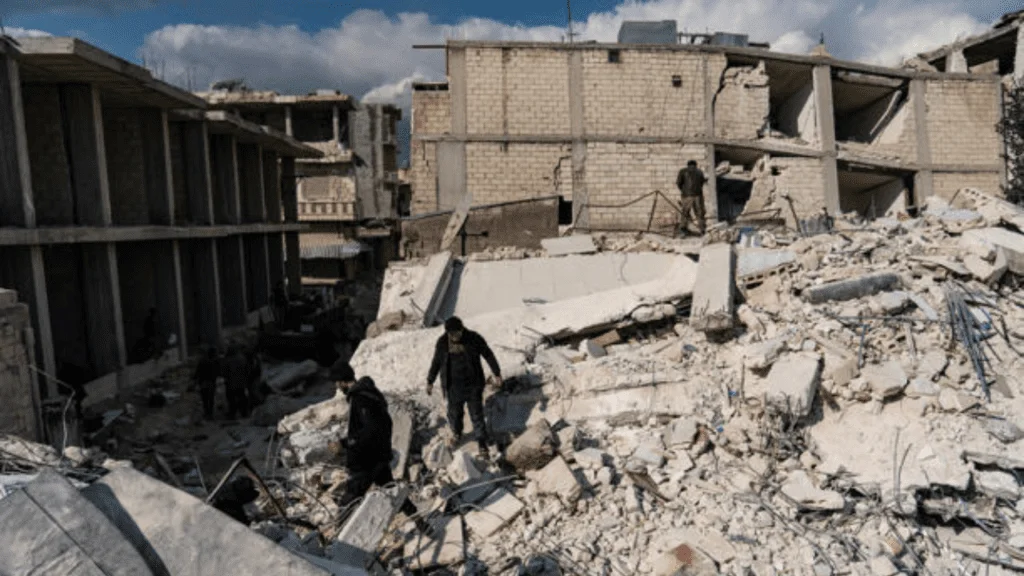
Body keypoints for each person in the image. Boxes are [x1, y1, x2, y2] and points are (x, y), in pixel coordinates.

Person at [331, 361, 430, 533]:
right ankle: (421, 523)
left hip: (366, 459)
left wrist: (345, 443)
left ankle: (334, 540)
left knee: (350, 499)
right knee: (391, 490)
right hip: (379, 456)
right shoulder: (371, 394)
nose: (337, 387)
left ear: (342, 381)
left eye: (337, 383)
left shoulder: (360, 398)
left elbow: (370, 429)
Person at [426, 317, 501, 459]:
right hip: (453, 386)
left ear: (462, 329)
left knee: (477, 414)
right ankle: (457, 433)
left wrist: (496, 373)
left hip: (473, 384)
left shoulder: (473, 338)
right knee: (455, 413)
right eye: (451, 334)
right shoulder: (442, 343)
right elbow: (436, 362)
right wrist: (430, 380)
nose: (455, 336)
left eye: (457, 333)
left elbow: (488, 354)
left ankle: (481, 442)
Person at [676, 160, 707, 236]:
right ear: (696, 165)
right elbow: (702, 183)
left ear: (688, 165)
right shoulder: (699, 172)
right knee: (699, 213)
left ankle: (683, 230)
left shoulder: (682, 171)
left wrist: (683, 190)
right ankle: (702, 230)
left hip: (686, 195)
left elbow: (679, 183)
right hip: (698, 195)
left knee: (685, 212)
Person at [221, 345, 250, 419]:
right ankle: (244, 412)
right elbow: (247, 370)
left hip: (231, 382)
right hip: (241, 382)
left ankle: (232, 413)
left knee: (231, 399)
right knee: (242, 397)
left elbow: (224, 372)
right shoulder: (242, 359)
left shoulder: (228, 360)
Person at [194, 346, 220, 420]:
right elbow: (218, 371)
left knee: (205, 399)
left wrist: (195, 379)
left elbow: (197, 372)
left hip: (203, 382)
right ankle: (210, 414)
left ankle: (206, 413)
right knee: (211, 399)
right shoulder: (215, 361)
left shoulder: (202, 361)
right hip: (211, 382)